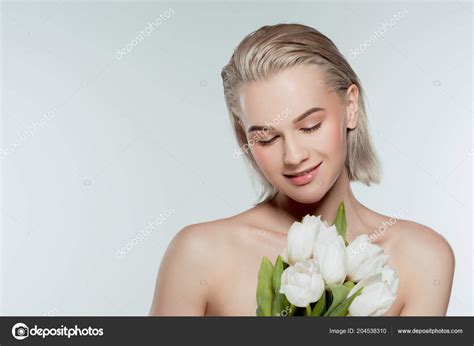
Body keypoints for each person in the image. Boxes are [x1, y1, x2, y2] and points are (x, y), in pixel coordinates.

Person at [149, 23, 454, 316]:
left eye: (310, 126)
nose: (293, 156)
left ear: (350, 107)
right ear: (245, 138)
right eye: (266, 138)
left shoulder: (422, 258)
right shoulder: (199, 254)